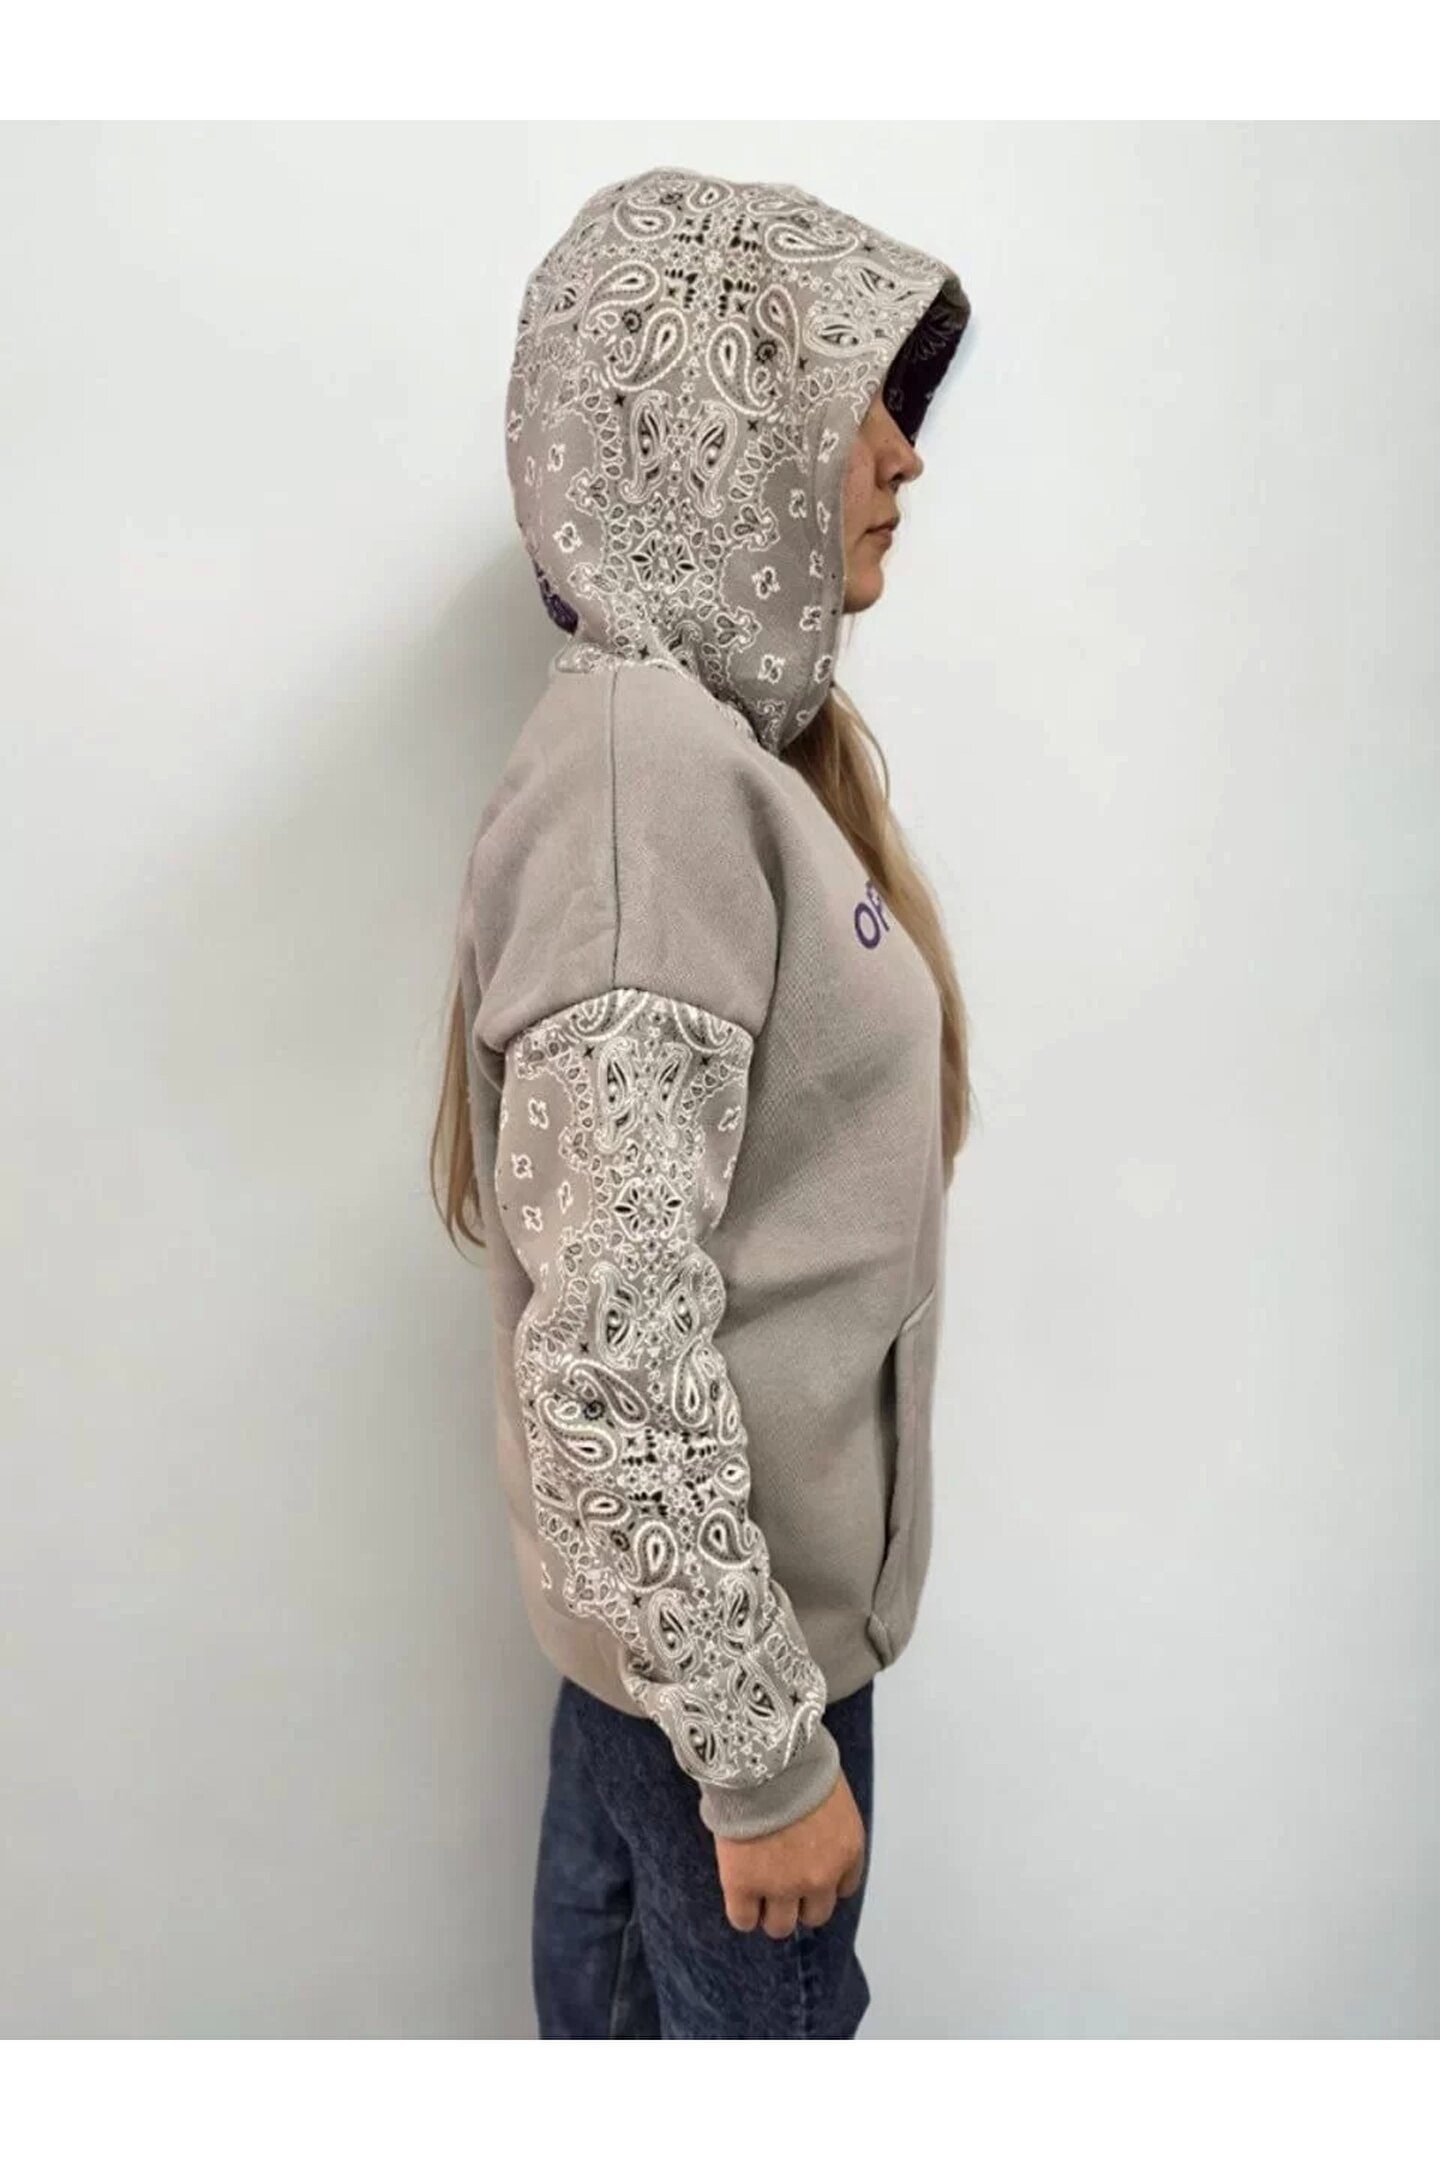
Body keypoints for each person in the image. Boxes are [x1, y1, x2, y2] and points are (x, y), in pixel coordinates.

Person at [431, 164, 976, 2039]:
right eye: (852, 398)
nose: (904, 454)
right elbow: (614, 1358)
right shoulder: (645, 780)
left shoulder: (692, 761)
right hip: (725, 1710)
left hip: (672, 1680)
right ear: (706, 423)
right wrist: (761, 1759)